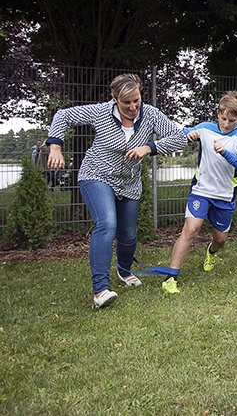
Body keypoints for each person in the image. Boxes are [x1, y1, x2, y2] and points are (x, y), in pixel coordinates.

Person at [46, 74, 187, 308]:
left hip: (129, 182)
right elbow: (63, 115)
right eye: (126, 103)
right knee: (107, 223)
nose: (133, 107)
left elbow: (179, 138)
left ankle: (124, 270)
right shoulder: (100, 112)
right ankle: (100, 290)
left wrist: (149, 148)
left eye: (137, 101)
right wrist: (55, 147)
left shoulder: (150, 115)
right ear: (114, 98)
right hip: (97, 175)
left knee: (128, 235)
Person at [162, 91, 237, 294]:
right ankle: (170, 278)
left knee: (220, 239)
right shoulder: (205, 128)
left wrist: (226, 153)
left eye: (231, 120)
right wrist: (189, 134)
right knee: (191, 229)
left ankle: (211, 252)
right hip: (201, 191)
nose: (226, 123)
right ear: (218, 113)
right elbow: (183, 133)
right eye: (223, 118)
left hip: (225, 196)